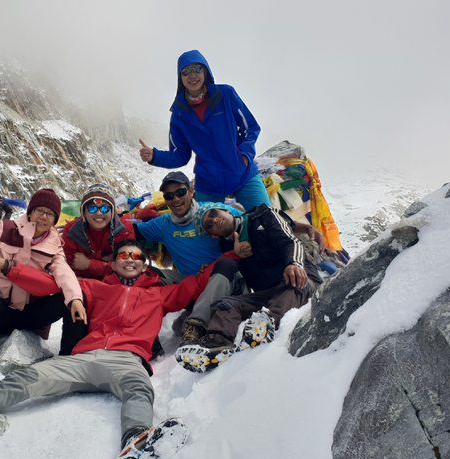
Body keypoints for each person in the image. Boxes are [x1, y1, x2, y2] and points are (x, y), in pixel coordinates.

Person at [0, 240, 239, 459]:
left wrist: (233, 255)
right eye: (124, 256)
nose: (130, 260)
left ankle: (135, 441)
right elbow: (49, 284)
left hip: (127, 360)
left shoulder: (161, 294)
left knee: (139, 389)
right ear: (114, 263)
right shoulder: (94, 287)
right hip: (82, 358)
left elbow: (200, 281)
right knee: (27, 379)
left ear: (145, 264)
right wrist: (9, 267)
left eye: (136, 256)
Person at [0, 188, 83, 380]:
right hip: (1, 310)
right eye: (40, 211)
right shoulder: (4, 229)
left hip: (32, 313)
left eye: (51, 214)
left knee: (71, 299)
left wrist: (75, 298)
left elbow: (64, 273)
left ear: (55, 219)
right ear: (30, 211)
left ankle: (68, 359)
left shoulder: (55, 245)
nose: (44, 217)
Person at [175, 203, 324, 372]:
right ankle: (216, 344)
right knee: (227, 304)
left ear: (225, 210)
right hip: (269, 295)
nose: (214, 220)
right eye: (209, 224)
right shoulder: (228, 248)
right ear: (213, 235)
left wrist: (294, 263)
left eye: (214, 213)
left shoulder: (263, 215)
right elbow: (225, 268)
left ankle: (266, 324)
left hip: (302, 280)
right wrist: (235, 255)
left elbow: (290, 240)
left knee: (292, 286)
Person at [138, 50, 269, 210]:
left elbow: (251, 128)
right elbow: (180, 155)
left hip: (243, 174)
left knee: (269, 218)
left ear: (206, 71)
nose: (192, 75)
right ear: (180, 77)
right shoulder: (179, 114)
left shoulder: (225, 95)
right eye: (186, 71)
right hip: (208, 183)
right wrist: (155, 156)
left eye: (197, 69)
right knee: (208, 229)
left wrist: (244, 156)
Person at [133, 171, 242, 283]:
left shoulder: (213, 211)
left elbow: (248, 221)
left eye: (180, 192)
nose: (176, 199)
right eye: (169, 196)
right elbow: (130, 231)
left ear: (190, 191)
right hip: (187, 283)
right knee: (146, 272)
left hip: (221, 276)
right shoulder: (162, 225)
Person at [63, 184, 135, 280]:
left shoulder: (125, 229)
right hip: (82, 283)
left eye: (104, 208)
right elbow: (68, 267)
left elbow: (128, 267)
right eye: (92, 208)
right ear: (84, 212)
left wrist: (89, 264)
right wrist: (106, 259)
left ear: (112, 212)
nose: (99, 213)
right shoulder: (72, 230)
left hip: (115, 283)